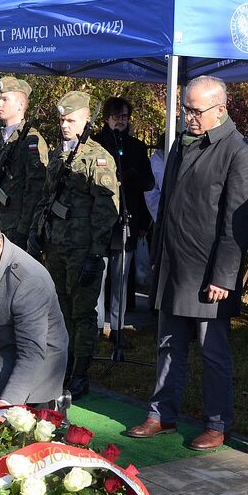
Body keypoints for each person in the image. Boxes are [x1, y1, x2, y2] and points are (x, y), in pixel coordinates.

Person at [126, 76, 248, 451]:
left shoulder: (237, 151)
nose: (188, 116)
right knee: (168, 344)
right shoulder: (182, 145)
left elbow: (240, 218)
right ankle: (161, 414)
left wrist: (224, 275)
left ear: (221, 109)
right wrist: (157, 255)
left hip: (209, 273)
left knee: (212, 351)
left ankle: (218, 422)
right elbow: (167, 203)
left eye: (196, 110)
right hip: (175, 266)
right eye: (185, 108)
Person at [28, 91, 119, 400]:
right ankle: (61, 367)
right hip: (55, 245)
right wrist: (38, 230)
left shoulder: (98, 157)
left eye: (70, 120)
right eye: (62, 120)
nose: (64, 125)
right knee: (60, 309)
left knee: (82, 313)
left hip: (82, 249)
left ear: (85, 120)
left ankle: (80, 373)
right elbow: (46, 196)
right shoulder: (58, 154)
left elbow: (107, 211)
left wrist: (96, 253)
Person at [0, 216, 68, 406]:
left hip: (40, 361)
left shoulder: (28, 279)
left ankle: (45, 406)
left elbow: (32, 352)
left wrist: (7, 403)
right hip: (8, 350)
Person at [93, 97, 154, 347]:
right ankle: (95, 327)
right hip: (100, 222)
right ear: (107, 118)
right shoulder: (95, 145)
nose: (121, 122)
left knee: (121, 276)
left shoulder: (137, 148)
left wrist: (129, 179)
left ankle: (117, 327)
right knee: (99, 275)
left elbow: (149, 183)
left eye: (125, 117)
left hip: (127, 219)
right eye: (117, 117)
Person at [0, 77, 49, 249]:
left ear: (20, 105)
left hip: (16, 228)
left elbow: (35, 191)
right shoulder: (1, 139)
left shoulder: (31, 141)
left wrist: (24, 231)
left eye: (5, 99)